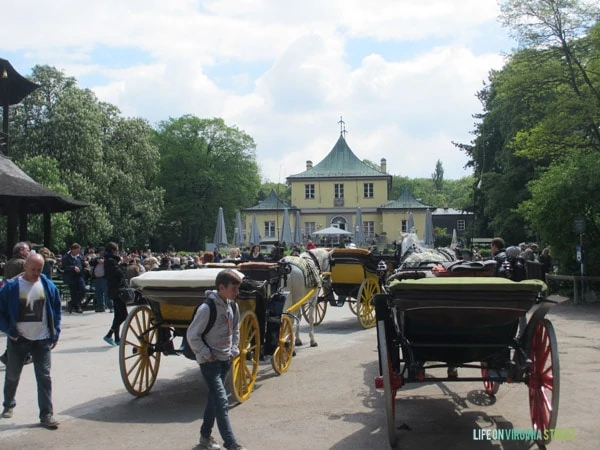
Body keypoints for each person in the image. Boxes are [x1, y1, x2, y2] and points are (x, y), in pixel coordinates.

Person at [187, 270, 247, 450]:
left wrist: (234, 349)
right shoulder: (207, 309)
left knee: (214, 400)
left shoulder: (233, 306)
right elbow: (192, 335)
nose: (237, 293)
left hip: (225, 360)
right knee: (221, 401)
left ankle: (205, 437)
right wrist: (206, 354)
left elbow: (235, 330)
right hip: (209, 363)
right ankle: (231, 444)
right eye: (234, 289)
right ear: (221, 288)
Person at [0, 253, 62, 429]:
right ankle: (8, 404)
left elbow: (56, 310)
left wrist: (55, 332)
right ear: (25, 266)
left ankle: (46, 415)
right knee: (12, 375)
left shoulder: (48, 286)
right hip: (19, 339)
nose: (36, 273)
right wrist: (10, 331)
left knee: (44, 377)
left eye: (39, 269)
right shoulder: (11, 287)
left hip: (42, 340)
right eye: (33, 269)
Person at [0, 242, 32, 366]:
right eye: (27, 250)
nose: (29, 252)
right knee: (23, 327)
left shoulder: (9, 262)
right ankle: (20, 355)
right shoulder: (22, 264)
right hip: (21, 296)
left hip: (10, 296)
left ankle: (10, 354)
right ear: (21, 251)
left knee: (13, 326)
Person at [102, 242, 127, 346]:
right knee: (124, 315)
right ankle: (109, 334)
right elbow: (120, 274)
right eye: (117, 250)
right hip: (117, 290)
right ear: (113, 251)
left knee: (117, 315)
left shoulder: (110, 260)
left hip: (115, 290)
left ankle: (117, 338)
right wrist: (124, 264)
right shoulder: (111, 261)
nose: (118, 252)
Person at [62, 243, 85, 313]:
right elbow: (64, 267)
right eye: (77, 250)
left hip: (79, 276)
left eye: (79, 250)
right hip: (71, 277)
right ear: (72, 250)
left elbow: (82, 264)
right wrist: (73, 268)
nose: (78, 252)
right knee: (73, 292)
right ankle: (77, 306)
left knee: (83, 289)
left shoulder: (80, 256)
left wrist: (85, 264)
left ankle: (72, 303)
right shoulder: (66, 257)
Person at [90, 246, 109, 313]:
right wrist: (97, 260)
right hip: (97, 278)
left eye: (102, 252)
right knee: (98, 293)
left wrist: (104, 261)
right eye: (100, 252)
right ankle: (101, 307)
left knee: (107, 293)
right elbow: (91, 262)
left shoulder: (107, 258)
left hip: (104, 278)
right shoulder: (96, 259)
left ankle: (110, 306)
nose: (101, 253)